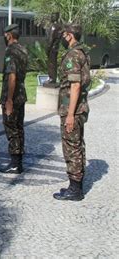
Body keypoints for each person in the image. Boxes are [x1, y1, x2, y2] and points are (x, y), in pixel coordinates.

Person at [53, 24, 91, 201]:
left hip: (73, 110)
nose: (61, 37)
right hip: (79, 109)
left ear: (69, 35)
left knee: (71, 148)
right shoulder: (82, 52)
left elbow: (75, 85)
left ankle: (75, 190)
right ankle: (75, 186)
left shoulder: (73, 55)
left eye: (63, 34)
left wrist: (69, 114)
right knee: (77, 146)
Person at [0, 24, 28, 174]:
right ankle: (19, 161)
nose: (4, 37)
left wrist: (9, 100)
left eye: (5, 35)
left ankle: (15, 164)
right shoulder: (23, 50)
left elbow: (12, 75)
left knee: (11, 128)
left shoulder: (11, 50)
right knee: (19, 128)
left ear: (9, 35)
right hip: (21, 94)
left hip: (13, 96)